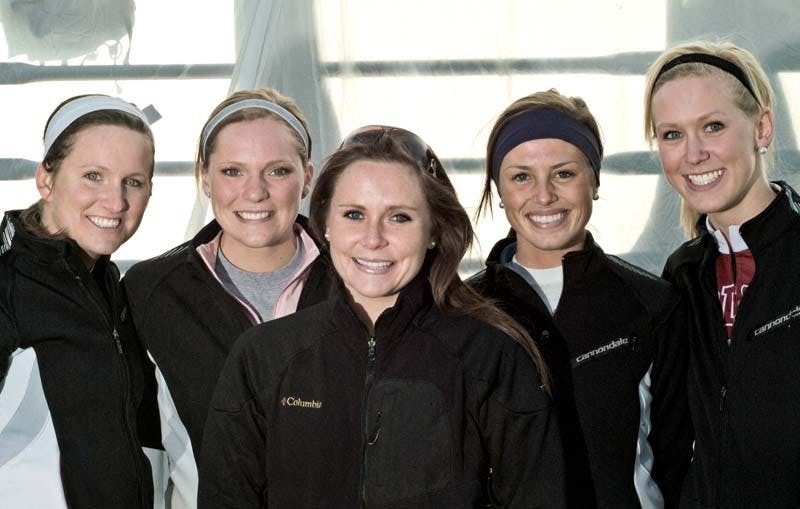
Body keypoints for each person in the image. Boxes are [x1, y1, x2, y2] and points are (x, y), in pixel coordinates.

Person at [197, 125, 566, 508]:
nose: (372, 239)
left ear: (434, 231)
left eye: (400, 217)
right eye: (354, 214)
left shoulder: (492, 357)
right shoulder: (263, 358)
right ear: (326, 223)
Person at [469, 89, 692, 508]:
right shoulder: (464, 310)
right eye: (521, 176)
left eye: (564, 174)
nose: (544, 195)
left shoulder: (652, 305)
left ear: (594, 180)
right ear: (500, 190)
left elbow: (678, 459)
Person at [123, 88, 331, 508]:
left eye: (277, 171)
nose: (254, 193)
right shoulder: (152, 293)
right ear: (204, 177)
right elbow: (138, 447)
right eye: (233, 171)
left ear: (307, 177)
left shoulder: (357, 282)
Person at [644, 41, 800, 508]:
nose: (693, 154)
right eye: (672, 135)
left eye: (712, 126)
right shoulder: (683, 274)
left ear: (762, 128)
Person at [0, 95, 156, 507]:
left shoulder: (110, 283)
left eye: (133, 182)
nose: (116, 201)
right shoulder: (8, 286)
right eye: (93, 176)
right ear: (46, 180)